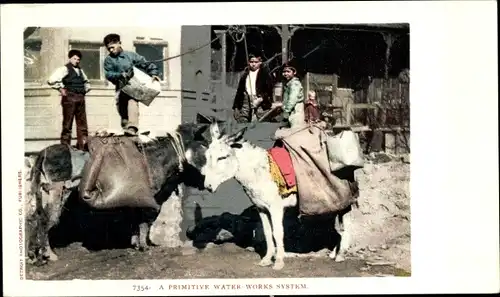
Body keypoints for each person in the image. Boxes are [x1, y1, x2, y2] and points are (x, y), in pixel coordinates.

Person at [102, 33, 161, 136]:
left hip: (133, 87)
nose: (111, 50)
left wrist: (154, 73)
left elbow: (145, 63)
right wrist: (120, 75)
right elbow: (108, 74)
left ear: (119, 43)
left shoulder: (131, 55)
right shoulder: (108, 60)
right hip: (120, 88)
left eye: (112, 47)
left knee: (133, 102)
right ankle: (127, 131)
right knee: (123, 113)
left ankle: (133, 128)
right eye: (109, 49)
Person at [47, 49, 91, 150]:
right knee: (67, 125)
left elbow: (87, 82)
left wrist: (84, 90)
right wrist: (60, 88)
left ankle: (83, 148)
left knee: (82, 126)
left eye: (78, 59)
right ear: (70, 58)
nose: (77, 61)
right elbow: (51, 80)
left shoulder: (81, 70)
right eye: (74, 58)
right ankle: (65, 149)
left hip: (80, 99)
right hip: (69, 99)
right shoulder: (64, 69)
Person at [232, 53, 275, 123]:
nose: (253, 64)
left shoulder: (264, 74)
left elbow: (269, 89)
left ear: (260, 62)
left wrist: (261, 99)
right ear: (248, 62)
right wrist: (236, 107)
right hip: (246, 99)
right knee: (243, 119)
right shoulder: (245, 74)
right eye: (251, 62)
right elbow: (239, 91)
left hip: (260, 100)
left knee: (262, 119)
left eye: (256, 62)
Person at [280, 61, 306, 129]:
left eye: (288, 72)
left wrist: (287, 111)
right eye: (284, 72)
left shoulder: (295, 84)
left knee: (295, 130)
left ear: (294, 72)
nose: (285, 74)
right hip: (292, 110)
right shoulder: (289, 83)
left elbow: (292, 99)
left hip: (295, 110)